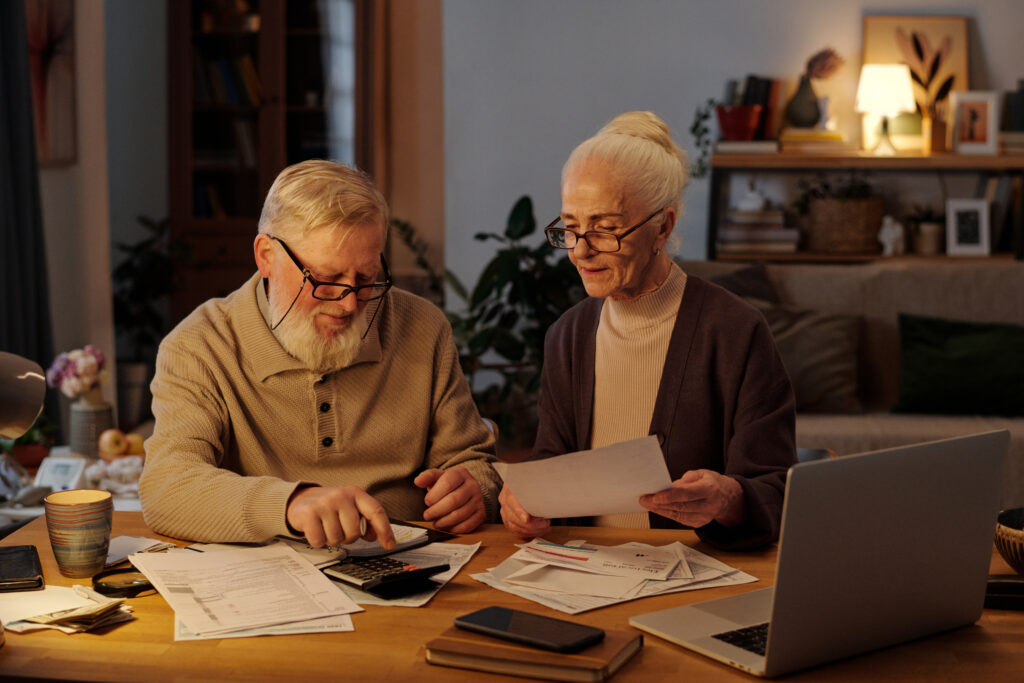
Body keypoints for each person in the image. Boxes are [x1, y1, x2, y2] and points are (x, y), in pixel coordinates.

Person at [139, 160, 501, 548]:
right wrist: (291, 503)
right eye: (326, 280)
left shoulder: (423, 327)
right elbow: (167, 487)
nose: (349, 304)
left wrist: (474, 490)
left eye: (366, 278)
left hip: (410, 563)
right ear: (266, 256)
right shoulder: (199, 345)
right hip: (269, 581)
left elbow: (472, 460)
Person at [499, 112, 796, 550]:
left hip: (700, 579)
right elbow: (552, 460)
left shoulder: (734, 330)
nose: (580, 251)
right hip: (583, 574)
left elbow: (776, 491)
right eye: (571, 227)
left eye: (605, 229)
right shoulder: (568, 335)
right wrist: (523, 502)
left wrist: (728, 498)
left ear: (664, 226)